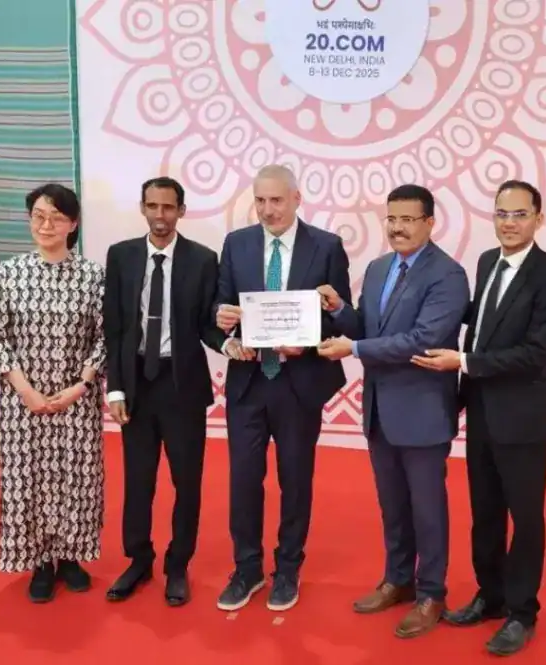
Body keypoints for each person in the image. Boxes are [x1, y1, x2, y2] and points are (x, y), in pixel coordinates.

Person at [413, 179, 546, 656]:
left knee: (525, 518)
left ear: (539, 218)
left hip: (522, 418)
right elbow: (478, 321)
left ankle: (523, 613)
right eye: (502, 213)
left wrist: (462, 362)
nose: (509, 223)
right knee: (485, 512)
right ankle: (491, 595)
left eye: (520, 214)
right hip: (482, 410)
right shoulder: (486, 262)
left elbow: (535, 354)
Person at [317, 184, 470, 638]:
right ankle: (398, 580)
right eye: (392, 219)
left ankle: (432, 593)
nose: (398, 228)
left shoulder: (448, 274)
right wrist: (340, 310)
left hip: (423, 411)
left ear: (429, 222)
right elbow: (368, 327)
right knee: (393, 506)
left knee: (427, 509)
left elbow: (423, 339)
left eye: (408, 219)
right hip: (380, 410)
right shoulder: (379, 267)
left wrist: (353, 348)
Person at [213, 164, 352, 612]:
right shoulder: (237, 244)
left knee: (295, 480)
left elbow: (340, 316)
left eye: (276, 200)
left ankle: (288, 568)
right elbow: (220, 305)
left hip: (299, 383)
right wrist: (224, 325)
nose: (268, 209)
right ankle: (247, 569)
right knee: (243, 481)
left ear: (296, 199)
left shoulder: (327, 246)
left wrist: (307, 343)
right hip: (248, 382)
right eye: (260, 200)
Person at [102, 177, 226, 606]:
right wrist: (115, 389)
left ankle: (178, 564)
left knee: (186, 482)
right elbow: (114, 327)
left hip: (182, 385)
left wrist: (230, 344)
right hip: (136, 383)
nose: (160, 215)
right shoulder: (121, 256)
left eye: (168, 207)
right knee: (138, 481)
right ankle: (138, 560)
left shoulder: (203, 259)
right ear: (142, 208)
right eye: (152, 206)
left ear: (181, 211)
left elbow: (207, 325)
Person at [0, 183, 107, 604]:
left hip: (77, 401)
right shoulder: (9, 274)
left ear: (73, 224)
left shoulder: (92, 276)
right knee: (29, 480)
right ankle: (40, 562)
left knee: (77, 478)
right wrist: (26, 392)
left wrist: (82, 385)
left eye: (56, 217)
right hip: (23, 404)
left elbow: (106, 336)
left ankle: (71, 557)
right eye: (39, 216)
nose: (46, 225)